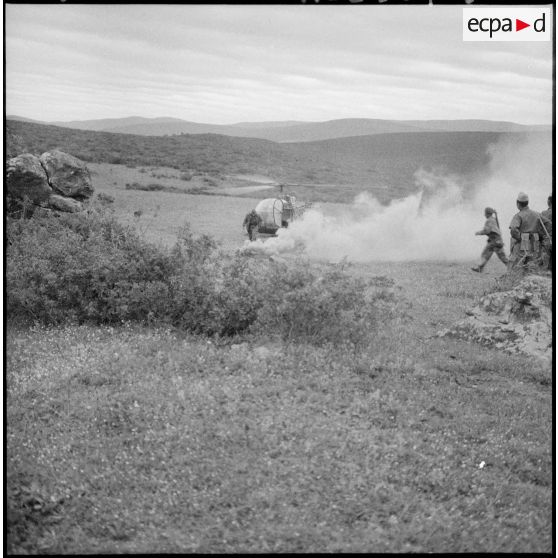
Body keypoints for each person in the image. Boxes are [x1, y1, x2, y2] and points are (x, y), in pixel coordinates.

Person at [508, 192, 548, 270]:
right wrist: (542, 236)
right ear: (527, 203)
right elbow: (548, 224)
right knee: (531, 266)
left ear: (518, 203)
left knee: (516, 266)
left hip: (523, 243)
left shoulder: (518, 216)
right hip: (535, 243)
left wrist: (520, 238)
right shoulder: (537, 214)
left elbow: (513, 229)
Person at [471, 207, 508, 272]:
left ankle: (480, 268)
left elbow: (487, 231)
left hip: (494, 241)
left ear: (487, 214)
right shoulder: (493, 219)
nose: (484, 215)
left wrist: (478, 233)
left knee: (487, 254)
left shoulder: (489, 220)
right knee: (499, 256)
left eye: (485, 213)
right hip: (496, 241)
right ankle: (480, 268)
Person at [539, 194, 553, 270]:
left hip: (547, 241)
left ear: (549, 202)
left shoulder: (544, 214)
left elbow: (539, 229)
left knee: (546, 267)